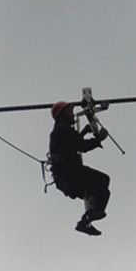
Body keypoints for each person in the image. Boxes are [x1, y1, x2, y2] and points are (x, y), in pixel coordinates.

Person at [48, 101, 111, 236]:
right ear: (63, 115)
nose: (73, 115)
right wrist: (98, 139)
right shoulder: (62, 129)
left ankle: (85, 221)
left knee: (102, 191)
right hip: (70, 174)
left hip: (67, 178)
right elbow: (80, 146)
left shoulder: (60, 130)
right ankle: (92, 214)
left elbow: (70, 145)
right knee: (103, 181)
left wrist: (83, 132)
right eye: (70, 112)